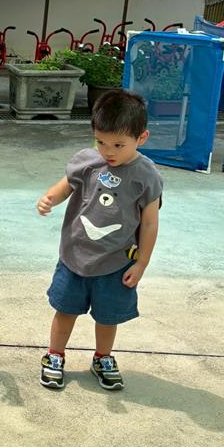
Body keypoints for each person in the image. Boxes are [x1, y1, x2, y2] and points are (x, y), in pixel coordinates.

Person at [36, 88, 163, 391]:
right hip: (75, 257)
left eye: (118, 144)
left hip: (117, 263)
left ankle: (102, 357)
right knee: (65, 310)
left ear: (141, 138)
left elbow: (149, 223)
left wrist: (142, 263)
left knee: (108, 317)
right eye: (101, 142)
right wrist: (50, 198)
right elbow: (66, 185)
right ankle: (55, 354)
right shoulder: (88, 162)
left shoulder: (146, 175)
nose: (109, 151)